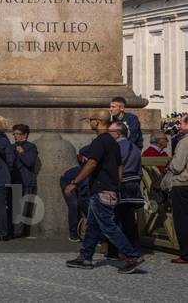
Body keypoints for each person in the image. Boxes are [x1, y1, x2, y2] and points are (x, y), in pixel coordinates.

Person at [64, 109, 145, 273]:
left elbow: (91, 164)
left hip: (102, 189)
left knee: (109, 226)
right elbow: (119, 166)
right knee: (93, 226)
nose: (90, 122)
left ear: (99, 122)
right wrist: (117, 184)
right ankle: (85, 257)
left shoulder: (100, 141)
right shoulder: (113, 142)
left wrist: (74, 182)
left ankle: (132, 255)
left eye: (91, 119)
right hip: (109, 188)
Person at [106, 121, 143, 259]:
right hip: (133, 186)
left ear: (117, 133)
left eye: (110, 132)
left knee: (114, 219)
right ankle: (132, 246)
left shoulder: (115, 147)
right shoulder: (135, 147)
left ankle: (114, 251)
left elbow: (114, 166)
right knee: (128, 219)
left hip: (120, 185)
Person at [10, 123, 38, 238]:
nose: (15, 136)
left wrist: (22, 153)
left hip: (26, 181)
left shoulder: (31, 147)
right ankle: (13, 229)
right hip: (14, 180)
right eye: (14, 134)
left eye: (18, 134)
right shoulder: (11, 147)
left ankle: (18, 232)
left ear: (25, 135)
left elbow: (30, 163)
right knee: (13, 207)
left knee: (22, 208)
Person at [168, 114, 188, 264]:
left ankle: (186, 253)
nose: (179, 126)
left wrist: (170, 165)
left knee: (182, 220)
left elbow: (178, 165)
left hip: (182, 183)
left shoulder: (184, 142)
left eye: (181, 123)